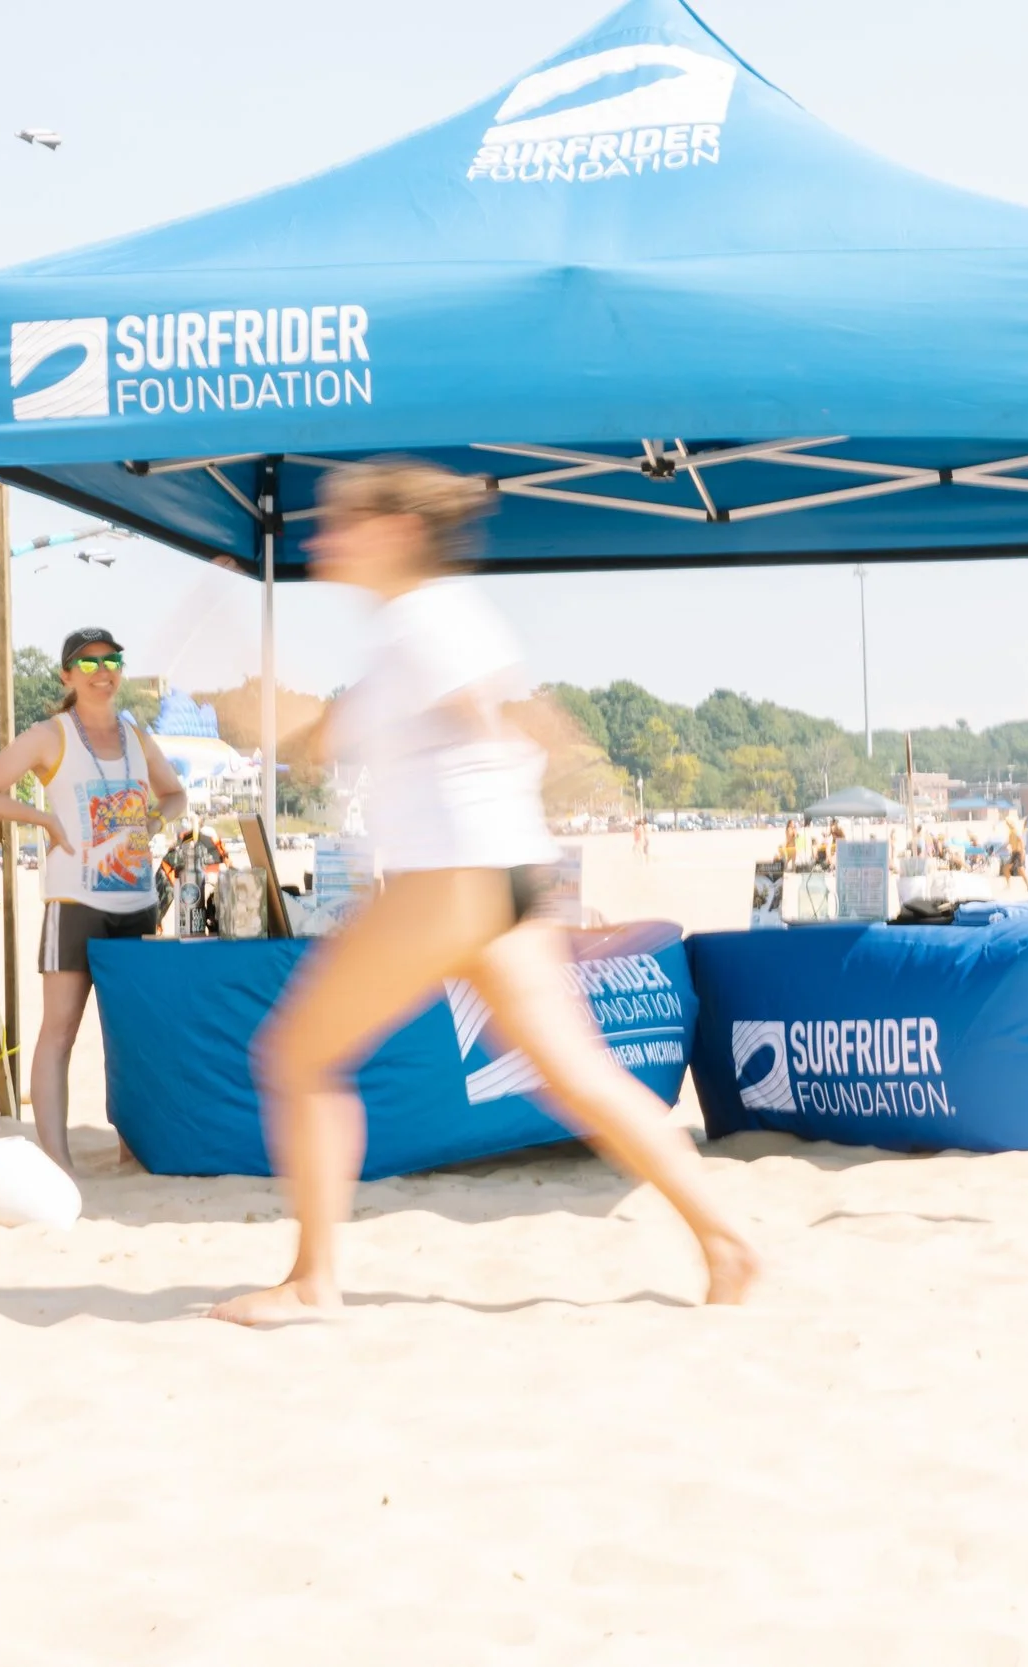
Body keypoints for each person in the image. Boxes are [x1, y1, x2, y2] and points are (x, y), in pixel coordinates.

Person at [211, 461, 755, 1322]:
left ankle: (314, 1282)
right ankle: (723, 1240)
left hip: (455, 875)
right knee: (576, 1073)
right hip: (501, 873)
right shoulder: (414, 630)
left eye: (340, 523)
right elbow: (335, 737)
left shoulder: (425, 619)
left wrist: (529, 761)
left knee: (297, 1057)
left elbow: (490, 714)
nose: (323, 539)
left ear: (395, 533)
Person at [0, 627, 188, 1174]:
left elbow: (175, 794)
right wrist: (43, 819)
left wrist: (153, 819)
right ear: (67, 676)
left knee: (132, 1035)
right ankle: (58, 1162)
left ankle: (131, 1151)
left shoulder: (137, 737)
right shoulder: (51, 735)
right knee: (60, 1032)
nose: (103, 672)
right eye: (89, 663)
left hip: (139, 903)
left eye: (112, 660)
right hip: (74, 904)